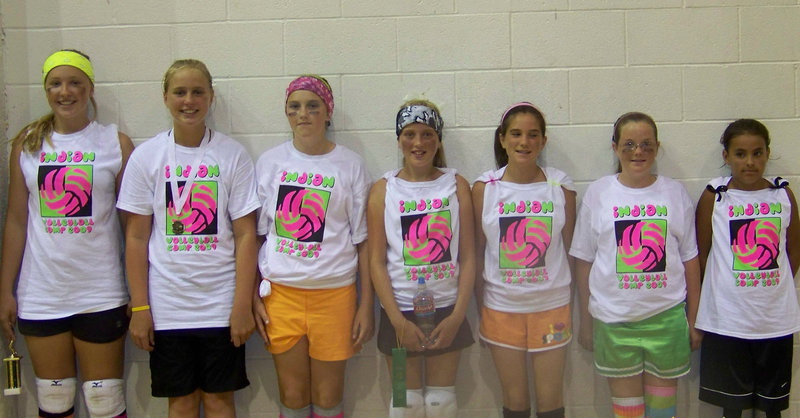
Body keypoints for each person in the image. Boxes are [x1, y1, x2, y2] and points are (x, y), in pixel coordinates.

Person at [117, 59, 259, 417]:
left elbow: (245, 236)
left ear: (211, 98)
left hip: (221, 305)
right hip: (167, 307)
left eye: (198, 92)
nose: (188, 100)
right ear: (165, 98)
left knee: (218, 401)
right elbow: (135, 237)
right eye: (180, 92)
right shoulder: (146, 158)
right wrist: (140, 308)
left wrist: (242, 305)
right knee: (180, 403)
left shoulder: (233, 155)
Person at [0, 49, 133, 418]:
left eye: (75, 82)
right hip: (41, 295)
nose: (65, 91)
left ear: (90, 89)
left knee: (106, 403)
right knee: (55, 404)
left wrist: (141, 293)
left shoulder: (115, 144)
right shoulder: (26, 144)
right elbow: (15, 221)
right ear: (46, 91)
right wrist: (4, 290)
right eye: (55, 83)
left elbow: (133, 228)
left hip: (101, 294)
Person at [252, 74, 373, 418]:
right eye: (295, 106)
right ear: (287, 114)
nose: (303, 114)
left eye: (312, 106)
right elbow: (257, 236)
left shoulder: (350, 164)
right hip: (281, 295)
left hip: (335, 295)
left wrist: (366, 305)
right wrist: (250, 296)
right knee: (292, 393)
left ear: (327, 112)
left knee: (328, 394)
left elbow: (362, 241)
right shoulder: (270, 163)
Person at [570, 112, 702, 418]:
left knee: (661, 412)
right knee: (627, 413)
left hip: (667, 319)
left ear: (657, 148)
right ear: (615, 148)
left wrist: (693, 319)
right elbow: (584, 262)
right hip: (614, 322)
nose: (638, 152)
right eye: (629, 144)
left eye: (646, 144)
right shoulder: (599, 193)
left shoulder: (675, 192)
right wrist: (587, 321)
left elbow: (690, 260)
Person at [367, 99, 475, 417]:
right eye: (410, 134)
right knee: (405, 402)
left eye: (428, 134)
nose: (419, 142)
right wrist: (398, 322)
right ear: (399, 138)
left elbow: (469, 257)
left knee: (442, 404)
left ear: (439, 139)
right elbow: (376, 261)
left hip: (446, 312)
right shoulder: (383, 190)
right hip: (399, 314)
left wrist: (457, 316)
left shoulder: (457, 186)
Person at [472, 102, 575, 418]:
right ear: (502, 139)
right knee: (515, 401)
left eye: (533, 135)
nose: (524, 142)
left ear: (543, 141)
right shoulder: (484, 187)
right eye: (515, 134)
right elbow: (476, 254)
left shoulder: (560, 186)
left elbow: (571, 250)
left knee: (550, 400)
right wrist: (479, 309)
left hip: (551, 308)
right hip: (502, 309)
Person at [694, 119, 800, 418]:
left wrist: (773, 285)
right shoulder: (714, 196)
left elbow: (794, 249)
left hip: (774, 319)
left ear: (768, 153)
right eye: (740, 154)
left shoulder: (783, 195)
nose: (750, 162)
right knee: (733, 407)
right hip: (727, 319)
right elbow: (702, 252)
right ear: (726, 156)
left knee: (772, 408)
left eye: (757, 153)